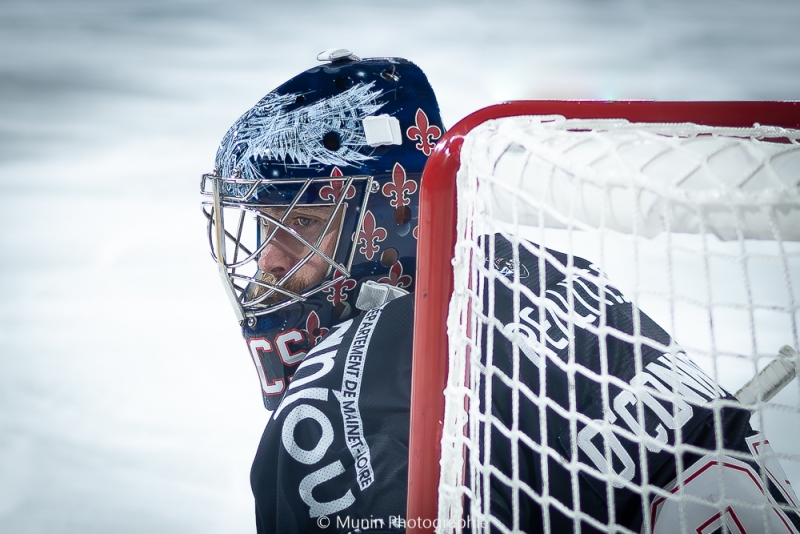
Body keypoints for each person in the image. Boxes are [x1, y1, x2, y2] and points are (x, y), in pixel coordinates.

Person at [202, 52, 800, 533]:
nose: (267, 265)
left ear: (390, 212)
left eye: (302, 224)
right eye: (264, 226)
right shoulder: (557, 275)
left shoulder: (332, 401)